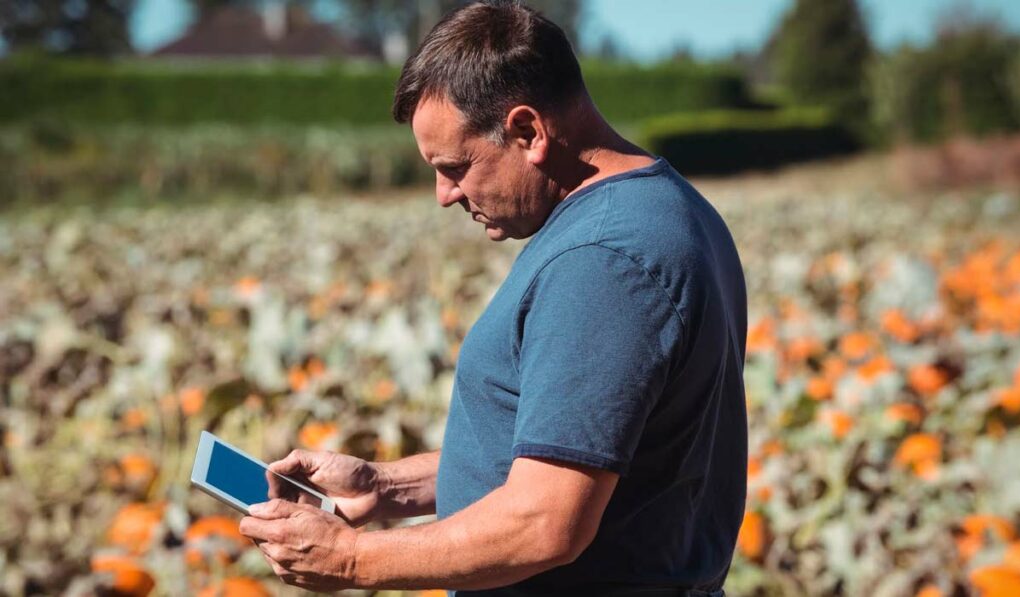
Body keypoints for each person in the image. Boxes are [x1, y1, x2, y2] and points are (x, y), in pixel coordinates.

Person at [238, 2, 748, 595]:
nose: (443, 195)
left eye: (455, 167)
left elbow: (545, 522)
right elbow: (584, 453)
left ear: (527, 132)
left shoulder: (603, 261)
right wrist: (385, 487)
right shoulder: (664, 207)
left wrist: (352, 560)